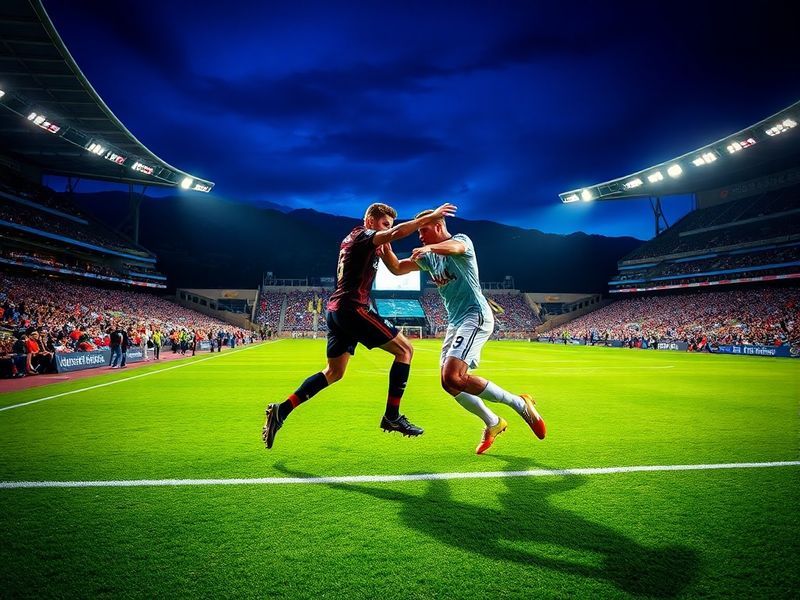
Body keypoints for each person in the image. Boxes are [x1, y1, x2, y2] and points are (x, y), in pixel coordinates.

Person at [262, 201, 457, 449]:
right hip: (353, 308)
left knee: (333, 373)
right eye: (385, 225)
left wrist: (427, 257)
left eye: (389, 226)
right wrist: (428, 219)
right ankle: (392, 416)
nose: (388, 229)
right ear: (370, 222)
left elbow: (397, 269)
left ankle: (282, 410)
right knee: (405, 350)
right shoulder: (364, 235)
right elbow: (396, 234)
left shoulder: (366, 241)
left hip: (337, 311)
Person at [381, 208, 546, 455]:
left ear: (438, 226)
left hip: (475, 315)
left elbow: (455, 249)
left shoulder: (461, 240)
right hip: (455, 321)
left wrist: (430, 248)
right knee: (450, 384)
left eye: (423, 229)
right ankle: (493, 422)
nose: (420, 236)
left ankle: (519, 404)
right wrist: (383, 244)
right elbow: (396, 269)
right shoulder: (429, 258)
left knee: (453, 376)